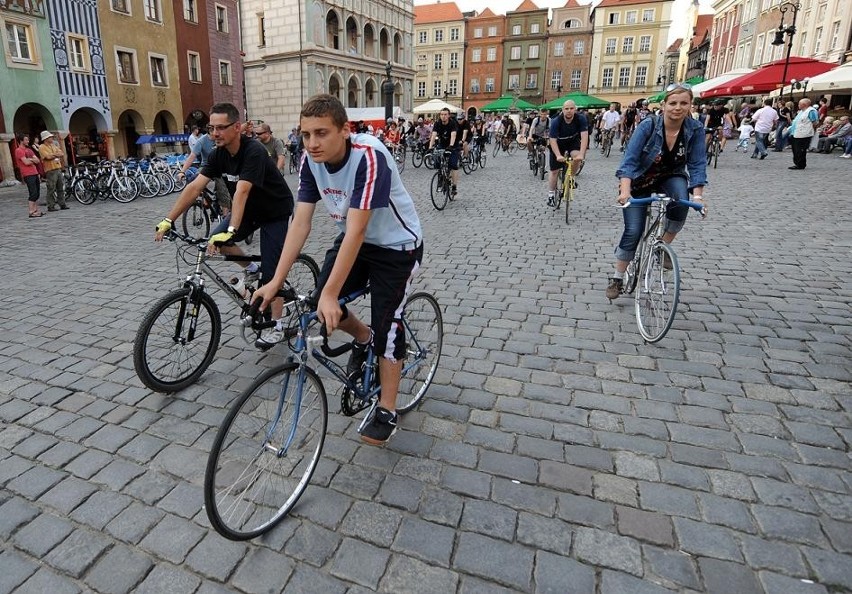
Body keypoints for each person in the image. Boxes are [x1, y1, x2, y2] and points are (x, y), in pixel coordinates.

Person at [253, 94, 423, 445]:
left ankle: (387, 408)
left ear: (345, 130)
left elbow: (359, 228)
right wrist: (275, 281)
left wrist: (332, 292)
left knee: (387, 323)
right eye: (305, 134)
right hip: (353, 243)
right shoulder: (310, 162)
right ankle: (363, 338)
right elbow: (300, 224)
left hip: (396, 247)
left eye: (321, 133)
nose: (312, 143)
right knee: (320, 304)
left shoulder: (369, 156)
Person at [155, 102, 295, 347]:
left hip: (275, 211)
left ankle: (277, 325)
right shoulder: (218, 154)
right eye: (212, 128)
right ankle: (251, 269)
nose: (215, 133)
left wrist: (230, 230)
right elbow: (195, 186)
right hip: (249, 211)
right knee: (215, 242)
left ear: (237, 127)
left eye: (221, 128)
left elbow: (241, 191)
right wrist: (169, 219)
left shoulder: (254, 151)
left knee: (272, 273)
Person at [605, 83, 707, 300]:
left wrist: (698, 196)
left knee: (681, 202)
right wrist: (625, 191)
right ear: (664, 105)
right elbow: (630, 160)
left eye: (683, 103)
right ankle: (617, 277)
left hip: (671, 177)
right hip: (640, 179)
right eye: (673, 103)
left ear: (690, 105)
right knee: (633, 230)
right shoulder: (649, 125)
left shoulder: (695, 129)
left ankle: (662, 245)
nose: (677, 108)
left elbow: (698, 164)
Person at [547, 100, 588, 206]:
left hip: (572, 142)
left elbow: (584, 137)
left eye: (571, 108)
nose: (569, 111)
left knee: (577, 158)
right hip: (558, 144)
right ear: (562, 110)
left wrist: (581, 154)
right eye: (566, 109)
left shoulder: (581, 118)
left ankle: (571, 178)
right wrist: (558, 155)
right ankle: (551, 195)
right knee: (554, 171)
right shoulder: (556, 121)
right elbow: (552, 140)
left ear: (575, 109)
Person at [429, 108, 460, 197]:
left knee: (453, 165)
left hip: (453, 145)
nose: (443, 116)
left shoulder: (452, 123)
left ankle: (454, 186)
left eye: (445, 114)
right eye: (442, 114)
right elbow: (433, 135)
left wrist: (451, 146)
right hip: (442, 144)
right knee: (438, 163)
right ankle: (440, 179)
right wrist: (430, 147)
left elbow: (453, 135)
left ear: (449, 115)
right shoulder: (437, 123)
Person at [38, 131, 68, 211]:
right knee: (51, 188)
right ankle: (51, 205)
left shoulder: (53, 145)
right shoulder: (42, 147)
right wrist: (55, 154)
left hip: (58, 168)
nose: (52, 138)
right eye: (50, 137)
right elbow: (47, 157)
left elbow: (61, 153)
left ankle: (62, 204)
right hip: (50, 170)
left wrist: (53, 154)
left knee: (60, 187)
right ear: (46, 139)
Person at [15, 133, 43, 218]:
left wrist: (30, 159)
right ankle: (31, 211)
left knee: (37, 192)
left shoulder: (29, 150)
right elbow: (26, 162)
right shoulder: (19, 150)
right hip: (28, 174)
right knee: (33, 192)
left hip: (35, 172)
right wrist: (31, 160)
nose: (28, 141)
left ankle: (35, 210)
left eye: (28, 139)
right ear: (21, 141)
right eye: (26, 140)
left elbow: (37, 160)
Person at [788, 98, 819, 170]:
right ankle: (797, 163)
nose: (798, 105)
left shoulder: (811, 111)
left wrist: (812, 131)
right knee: (795, 149)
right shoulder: (802, 111)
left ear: (804, 105)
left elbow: (815, 122)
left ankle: (800, 164)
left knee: (800, 150)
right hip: (796, 133)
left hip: (803, 134)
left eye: (799, 104)